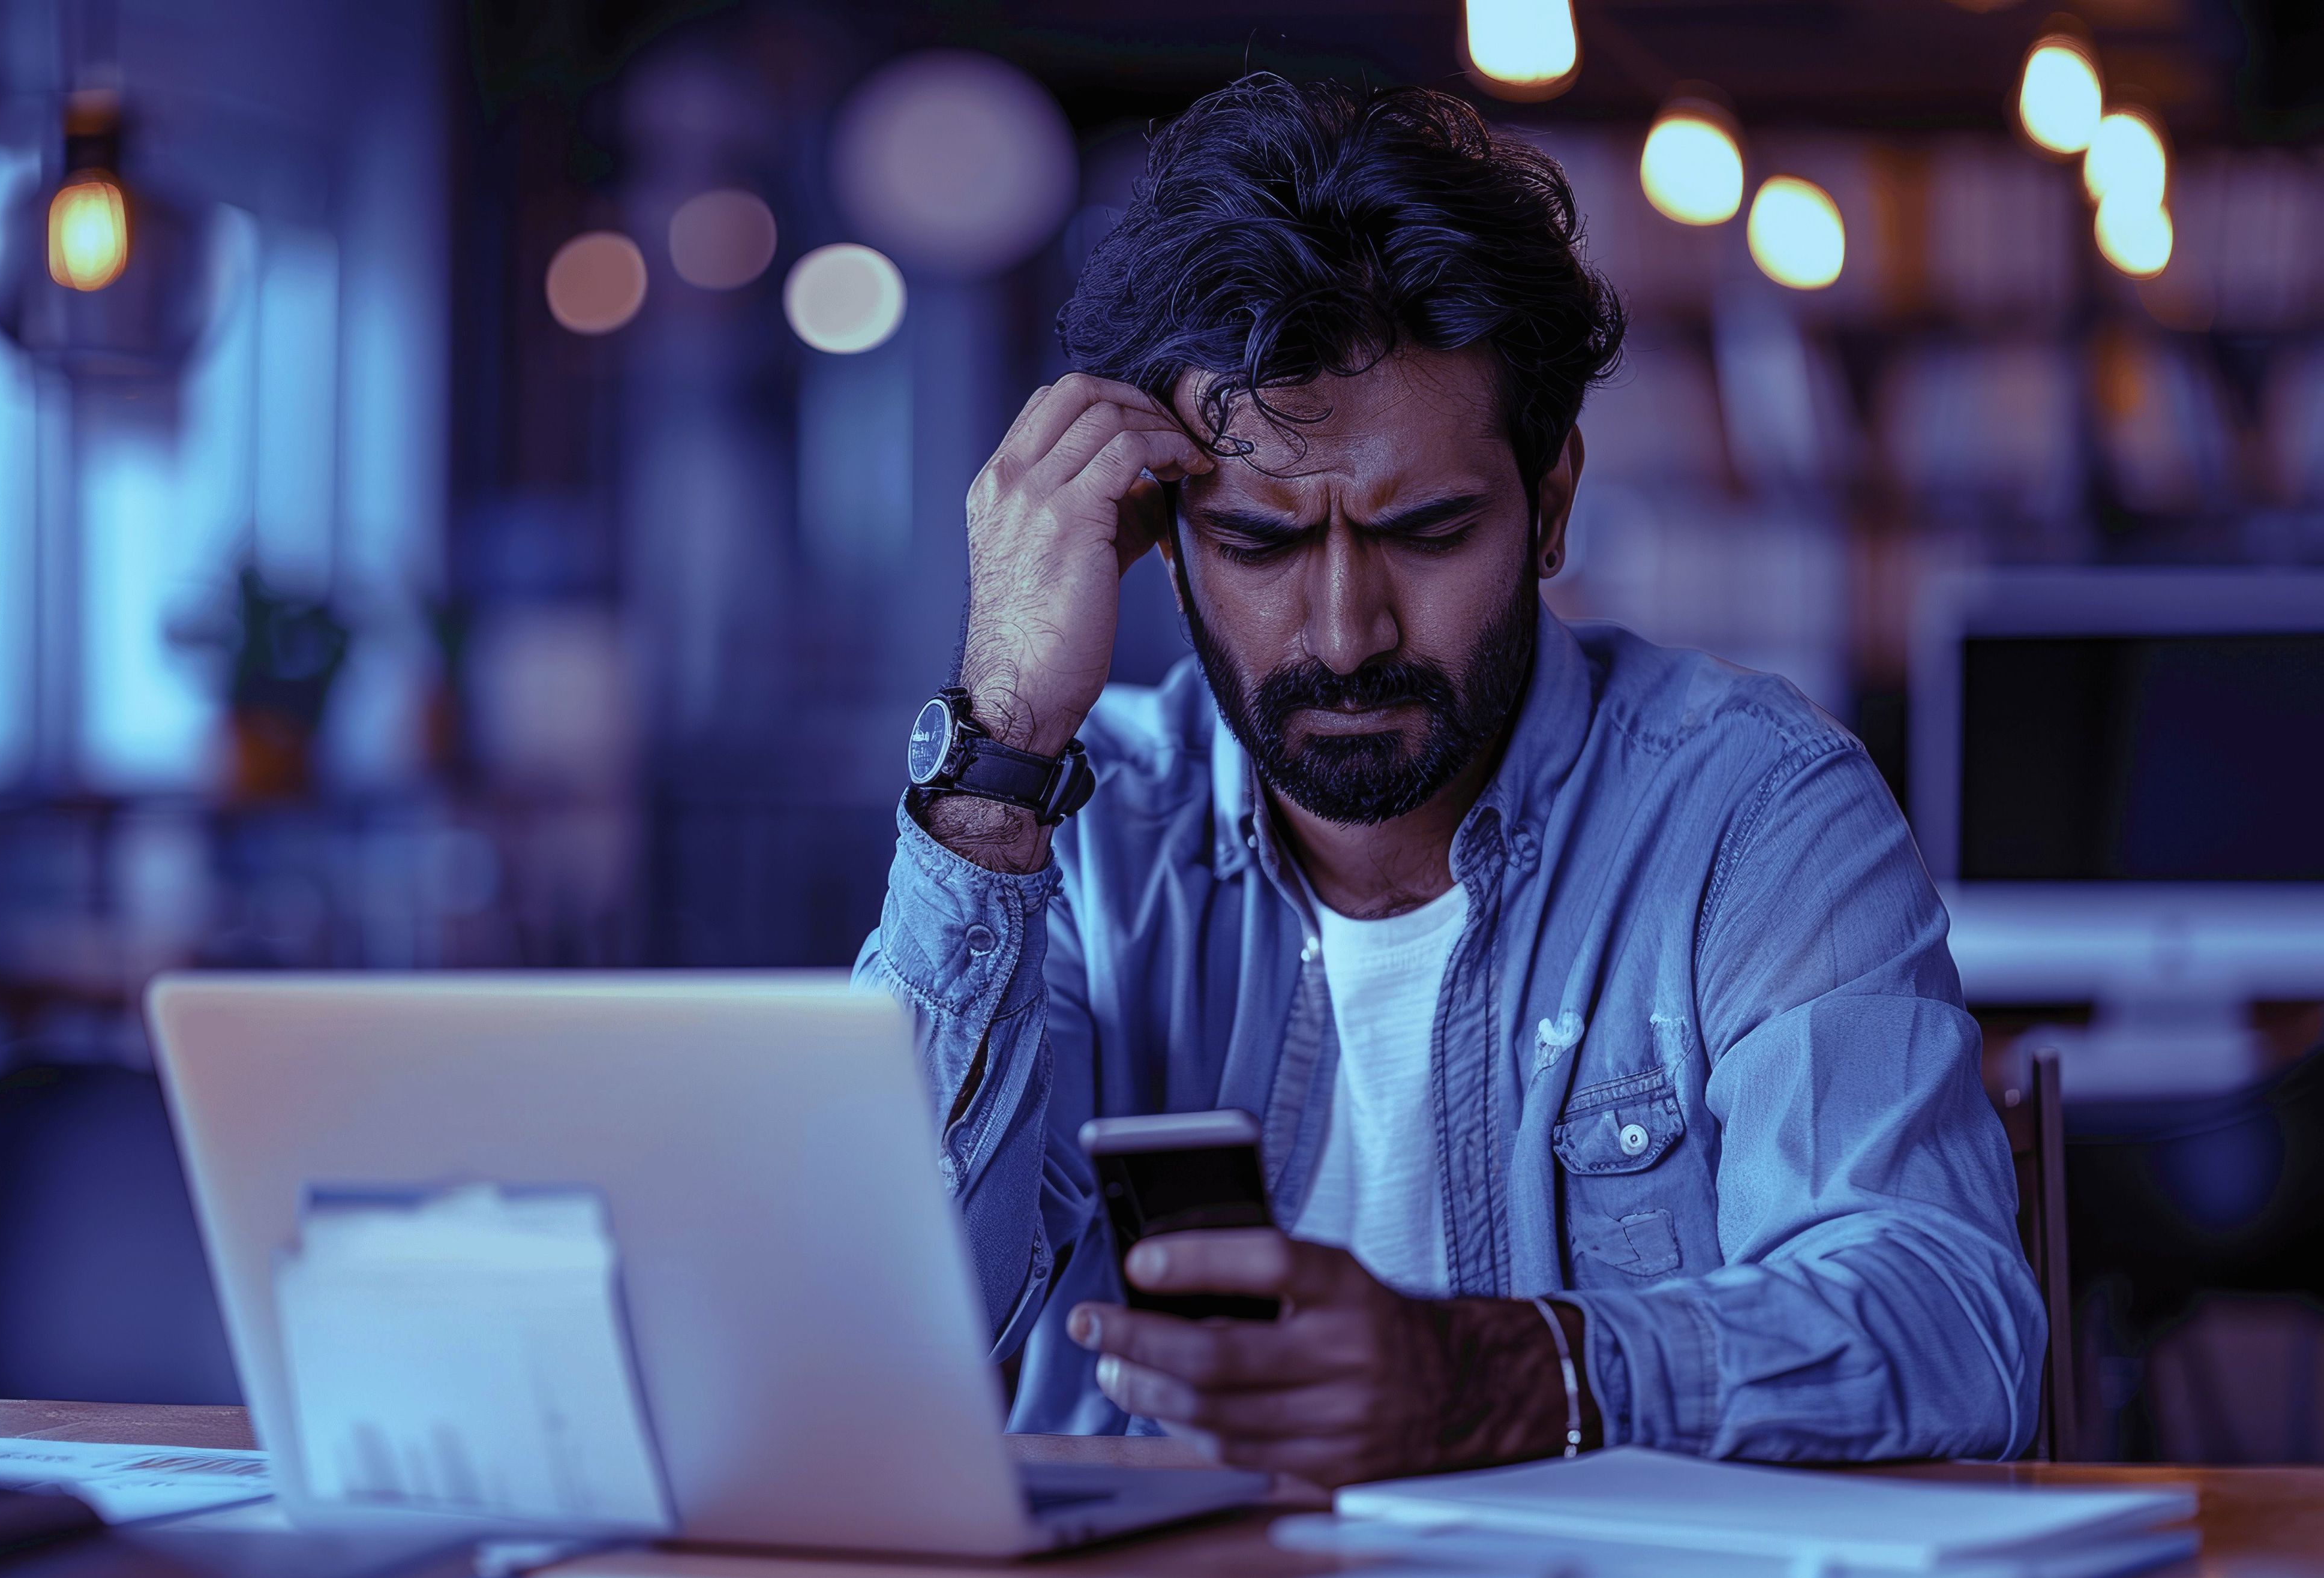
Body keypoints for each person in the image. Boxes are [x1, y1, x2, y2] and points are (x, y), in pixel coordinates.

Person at [856, 73, 2043, 1484]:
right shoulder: (1076, 831)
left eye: (1424, 533)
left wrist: (1500, 1377)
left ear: (1548, 507)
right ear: (1157, 536)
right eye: (1260, 547)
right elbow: (870, 1340)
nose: (1345, 632)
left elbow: (1948, 1325)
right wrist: (997, 751)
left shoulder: (1749, 808)